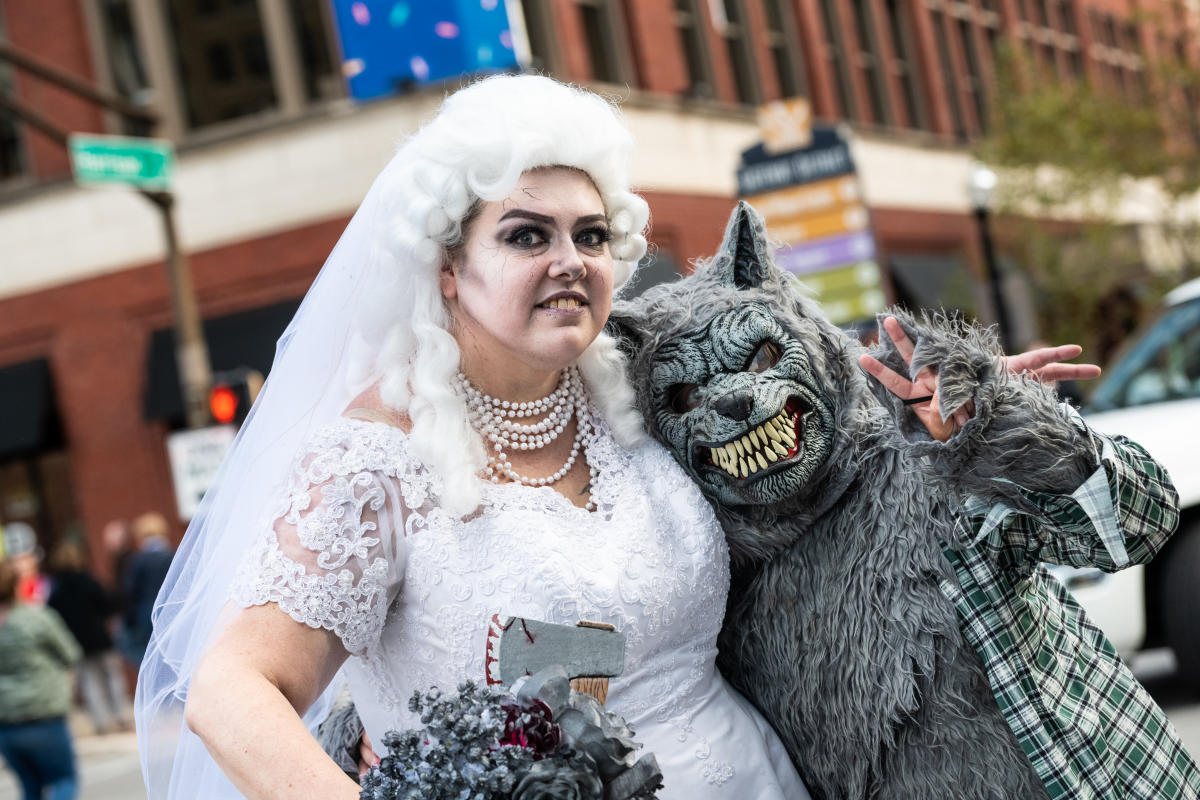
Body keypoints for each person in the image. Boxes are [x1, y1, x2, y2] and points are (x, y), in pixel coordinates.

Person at [135, 75, 812, 799]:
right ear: (448, 268)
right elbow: (229, 690)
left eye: (591, 235)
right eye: (527, 235)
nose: (571, 261)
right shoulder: (374, 460)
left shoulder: (650, 384)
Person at [0, 559, 81, 800]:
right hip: (44, 714)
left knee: (30, 788)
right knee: (63, 781)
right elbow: (71, 653)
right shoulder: (36, 618)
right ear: (16, 585)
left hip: (7, 721)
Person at [46, 541, 132, 734]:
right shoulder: (88, 581)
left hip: (76, 641)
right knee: (111, 676)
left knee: (89, 680)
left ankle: (101, 722)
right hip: (98, 637)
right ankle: (120, 715)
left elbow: (52, 614)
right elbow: (106, 604)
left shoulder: (56, 589)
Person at [120, 513, 174, 667]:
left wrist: (129, 621)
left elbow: (131, 592)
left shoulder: (138, 561)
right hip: (171, 614)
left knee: (151, 660)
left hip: (146, 617)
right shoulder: (173, 556)